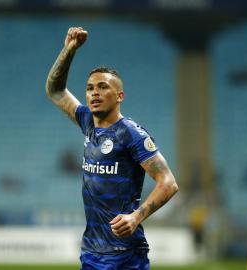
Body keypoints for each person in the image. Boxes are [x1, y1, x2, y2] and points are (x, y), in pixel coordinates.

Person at [45, 27, 179, 269]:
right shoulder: (87, 122)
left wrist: (137, 216)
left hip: (124, 253)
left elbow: (168, 182)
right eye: (89, 88)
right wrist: (69, 50)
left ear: (120, 96)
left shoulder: (131, 133)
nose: (94, 92)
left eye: (103, 87)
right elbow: (55, 90)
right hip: (92, 251)